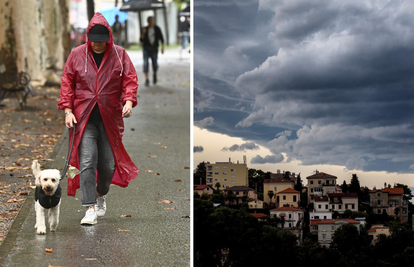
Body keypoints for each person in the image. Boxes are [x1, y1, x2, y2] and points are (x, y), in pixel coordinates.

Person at [57, 12, 139, 225]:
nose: (97, 45)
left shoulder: (120, 55)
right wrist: (67, 110)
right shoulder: (77, 54)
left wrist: (129, 101)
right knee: (86, 162)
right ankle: (89, 208)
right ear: (88, 37)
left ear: (109, 39)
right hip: (83, 118)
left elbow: (130, 80)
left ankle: (101, 195)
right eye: (94, 41)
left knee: (108, 165)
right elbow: (67, 81)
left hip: (110, 118)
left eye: (101, 42)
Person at [140, 16, 164, 86]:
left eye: (152, 20)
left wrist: (162, 48)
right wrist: (143, 33)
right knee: (145, 63)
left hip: (154, 49)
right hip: (146, 49)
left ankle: (154, 74)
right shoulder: (145, 29)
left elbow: (161, 39)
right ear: (148, 21)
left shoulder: (157, 29)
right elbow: (141, 40)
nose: (151, 22)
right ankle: (147, 79)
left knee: (155, 63)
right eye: (150, 20)